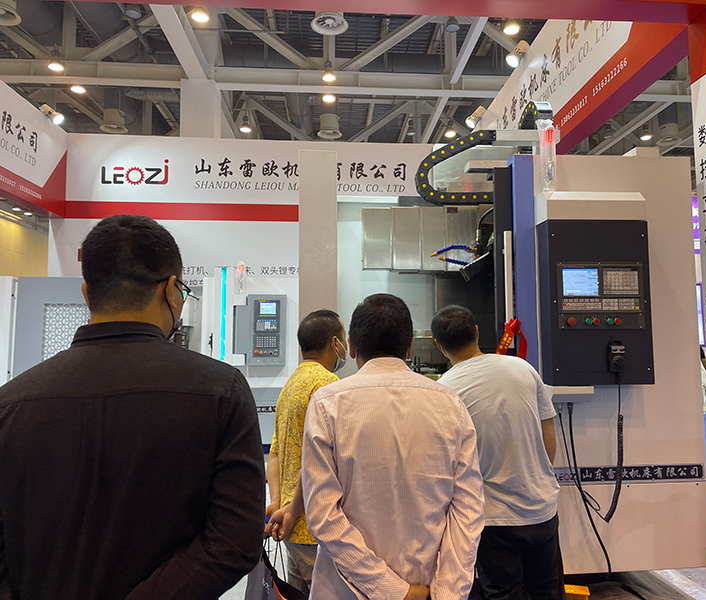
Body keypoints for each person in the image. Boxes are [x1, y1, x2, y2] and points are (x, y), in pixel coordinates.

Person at [0, 215, 265, 600]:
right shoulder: (221, 391)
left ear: (87, 293)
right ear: (172, 291)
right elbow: (235, 541)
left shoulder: (11, 402)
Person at [301, 293, 485, 600]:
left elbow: (322, 515)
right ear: (410, 346)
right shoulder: (451, 404)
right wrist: (448, 591)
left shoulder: (327, 404)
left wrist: (392, 590)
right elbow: (468, 509)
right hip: (430, 587)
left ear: (352, 347)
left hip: (347, 590)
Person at [432, 305, 565, 600]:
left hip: (491, 520)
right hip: (540, 509)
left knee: (502, 594)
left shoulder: (444, 390)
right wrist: (539, 478)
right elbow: (548, 432)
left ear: (438, 345)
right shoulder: (523, 369)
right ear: (477, 332)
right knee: (547, 592)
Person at [265, 309, 348, 593]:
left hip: (289, 525)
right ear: (335, 343)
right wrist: (293, 509)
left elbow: (275, 453)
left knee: (296, 592)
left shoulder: (289, 386)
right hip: (314, 525)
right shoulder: (328, 385)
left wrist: (278, 503)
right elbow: (318, 459)